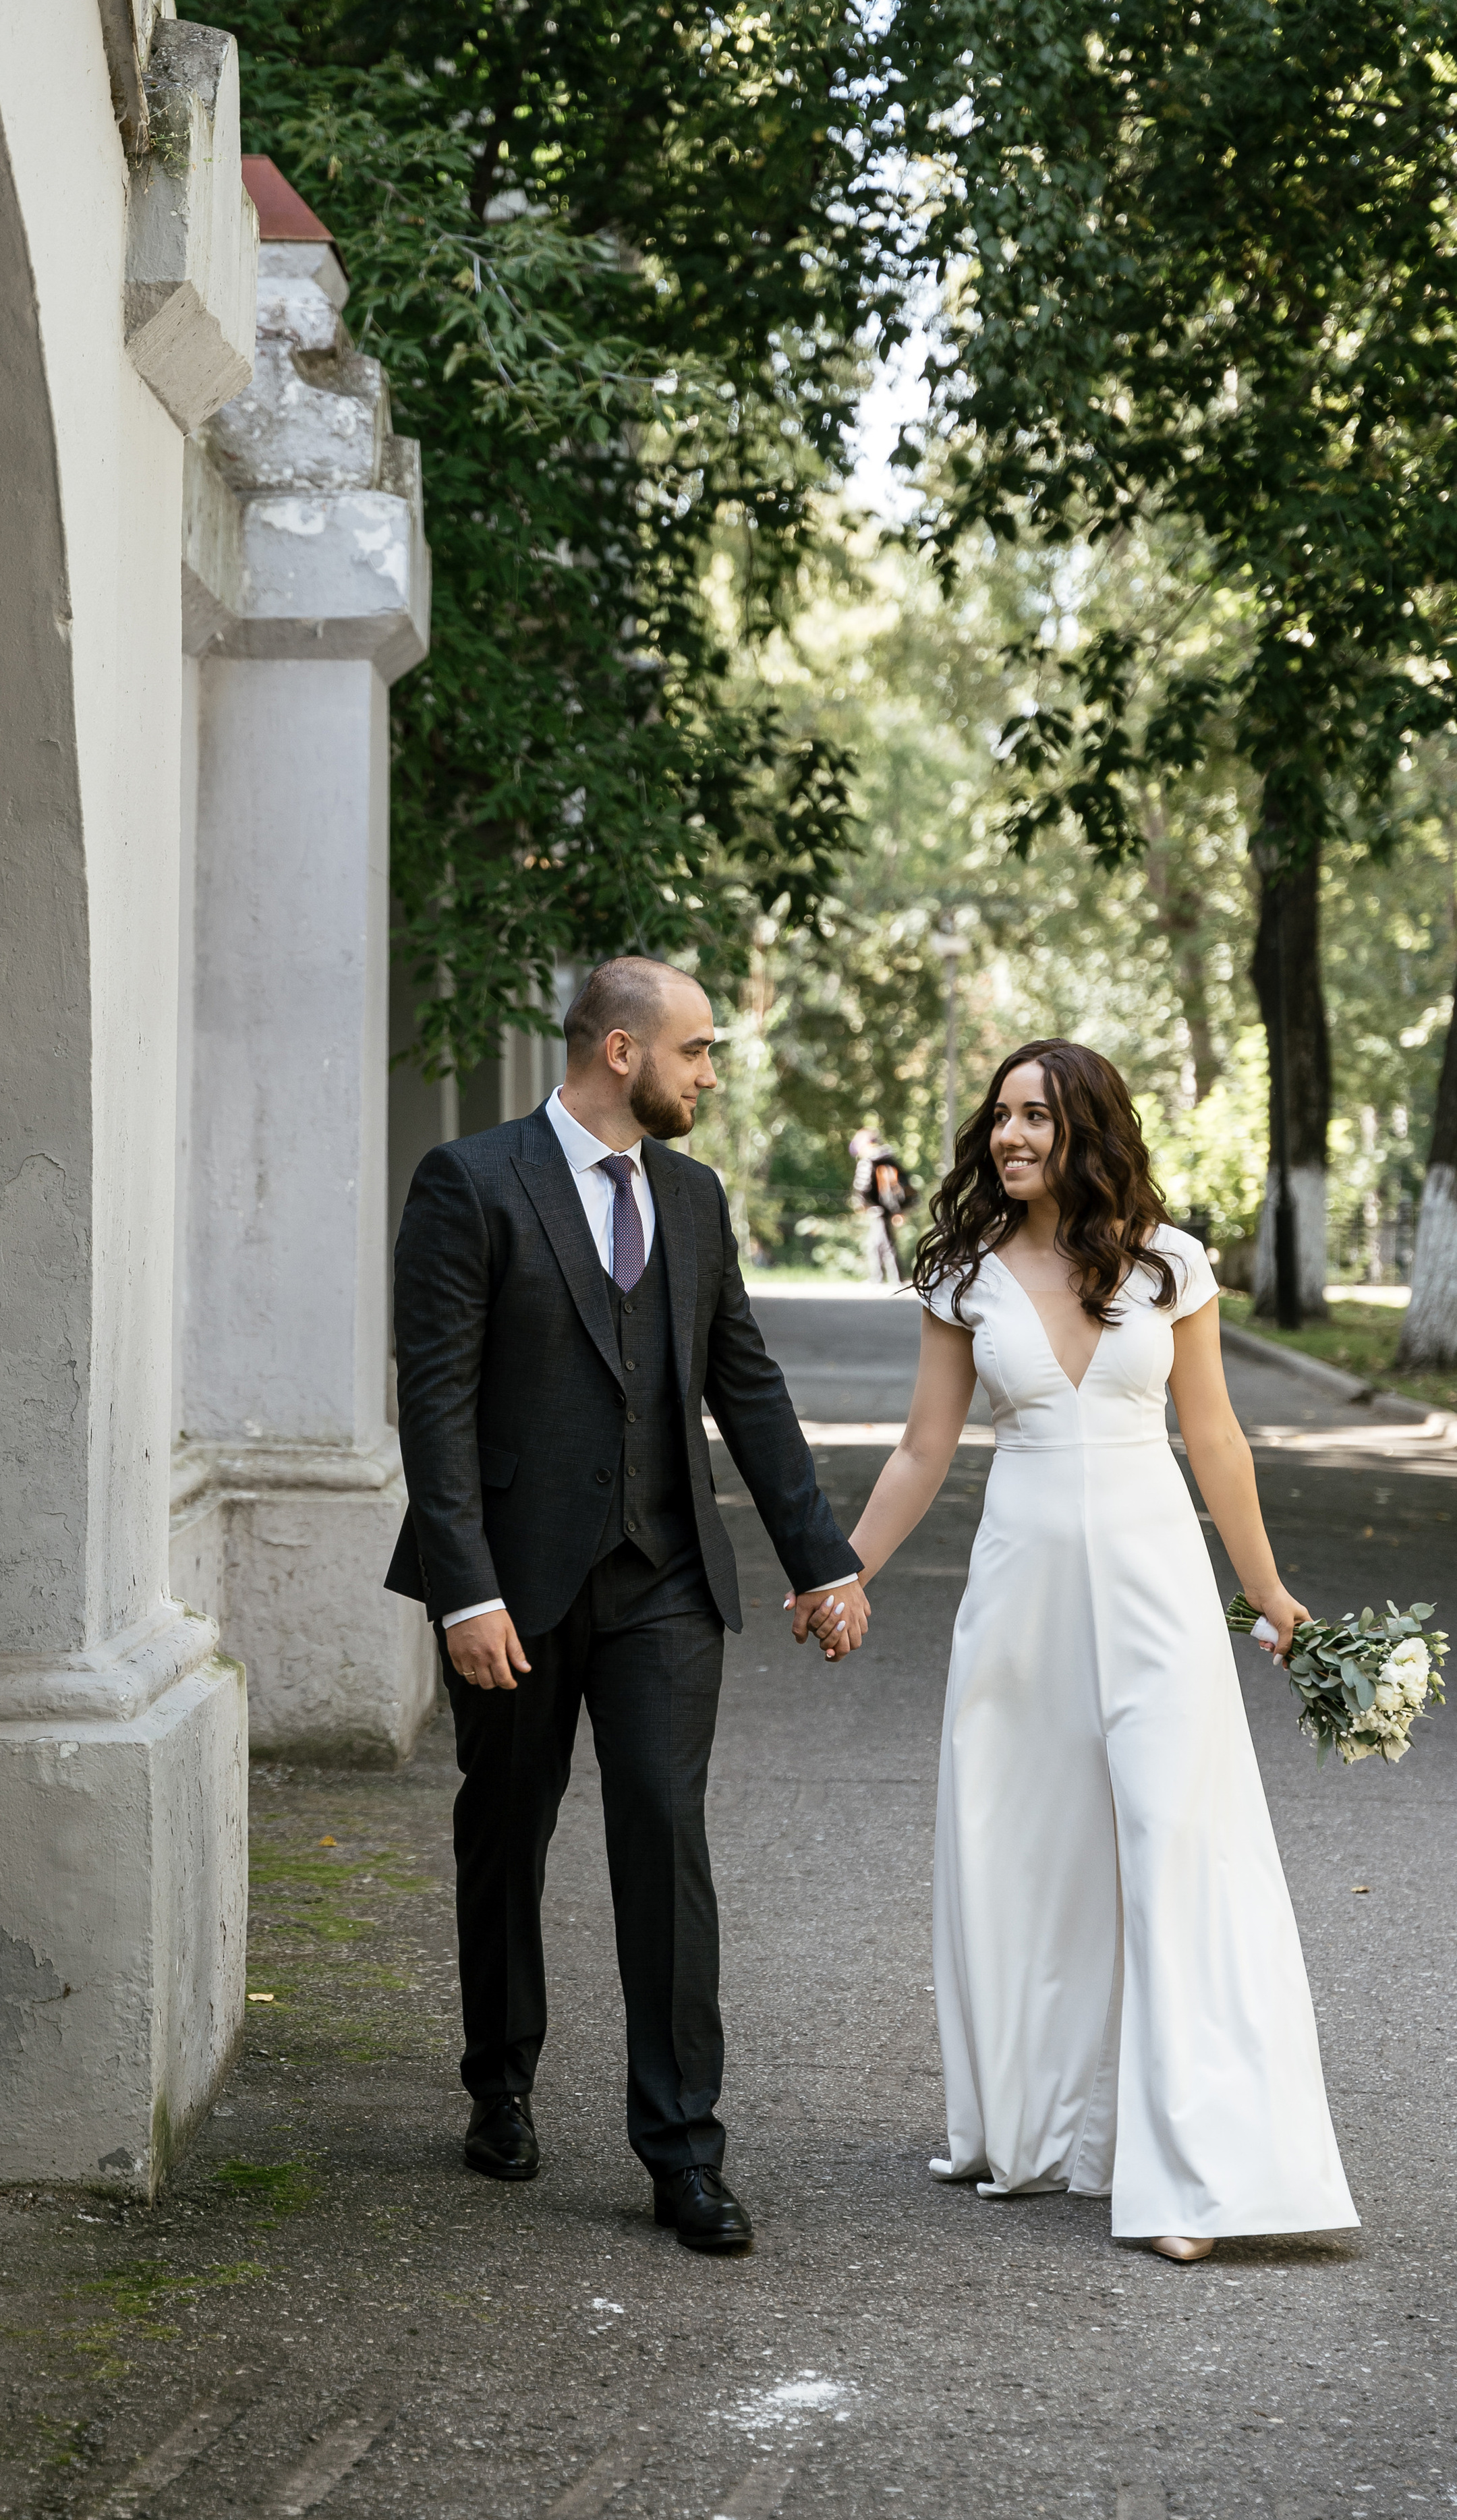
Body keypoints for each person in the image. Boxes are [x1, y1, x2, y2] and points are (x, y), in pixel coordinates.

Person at [803, 1039, 1356, 2260]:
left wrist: (1270, 1595)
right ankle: (1043, 2125)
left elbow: (1215, 1441)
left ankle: (1197, 2179)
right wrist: (844, 1570)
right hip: (1020, 1595)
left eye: (1039, 1119)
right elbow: (920, 1452)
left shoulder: (1171, 1267)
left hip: (1156, 1583)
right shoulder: (961, 1272)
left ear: (1089, 1129)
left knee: (1179, 1850)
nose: (1012, 1138)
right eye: (1000, 1117)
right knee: (1026, 1854)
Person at [386, 956, 868, 2253]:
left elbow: (747, 1390)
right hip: (515, 1594)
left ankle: (682, 2153)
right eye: (697, 1051)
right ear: (619, 1051)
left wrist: (824, 1559)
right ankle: (500, 2081)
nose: (710, 1074)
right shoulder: (471, 1184)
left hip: (663, 1580)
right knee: (507, 1834)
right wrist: (463, 1589)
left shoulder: (697, 1201)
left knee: (665, 1842)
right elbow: (432, 1406)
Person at [850, 1128, 915, 1288]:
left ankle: (891, 1279)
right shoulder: (890, 1160)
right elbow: (905, 1182)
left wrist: (861, 1203)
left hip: (877, 1208)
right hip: (891, 1206)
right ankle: (883, 1278)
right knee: (878, 1243)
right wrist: (901, 1208)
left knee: (884, 1244)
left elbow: (863, 1185)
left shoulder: (868, 1161)